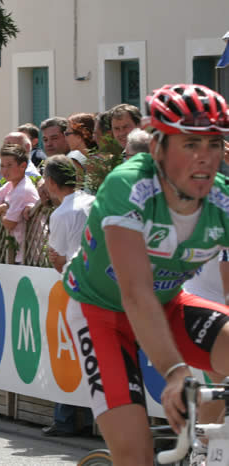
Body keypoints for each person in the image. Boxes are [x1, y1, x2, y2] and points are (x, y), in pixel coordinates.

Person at [63, 84, 229, 466]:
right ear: (157, 147)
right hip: (101, 313)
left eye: (213, 145)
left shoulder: (220, 199)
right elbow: (135, 292)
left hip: (168, 306)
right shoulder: (128, 186)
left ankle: (205, 450)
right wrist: (173, 372)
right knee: (135, 453)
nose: (204, 159)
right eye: (189, 145)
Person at [41, 155, 96, 437]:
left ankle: (65, 418)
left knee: (71, 352)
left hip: (77, 286)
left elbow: (58, 258)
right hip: (100, 283)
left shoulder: (61, 213)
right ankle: (83, 417)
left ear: (51, 182)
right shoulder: (93, 201)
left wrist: (61, 262)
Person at [0, 144, 40, 264]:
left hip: (32, 253)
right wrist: (4, 207)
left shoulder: (23, 190)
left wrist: (0, 211)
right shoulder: (7, 186)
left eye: (9, 165)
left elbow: (9, 224)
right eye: (2, 166)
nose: (4, 170)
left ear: (23, 166)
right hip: (20, 251)